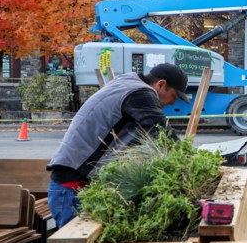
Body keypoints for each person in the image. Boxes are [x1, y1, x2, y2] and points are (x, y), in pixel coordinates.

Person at [46, 63, 190, 229]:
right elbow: (161, 132)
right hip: (72, 187)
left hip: (73, 184)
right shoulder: (140, 93)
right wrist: (189, 163)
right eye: (173, 96)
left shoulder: (127, 84)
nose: (172, 103)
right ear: (161, 84)